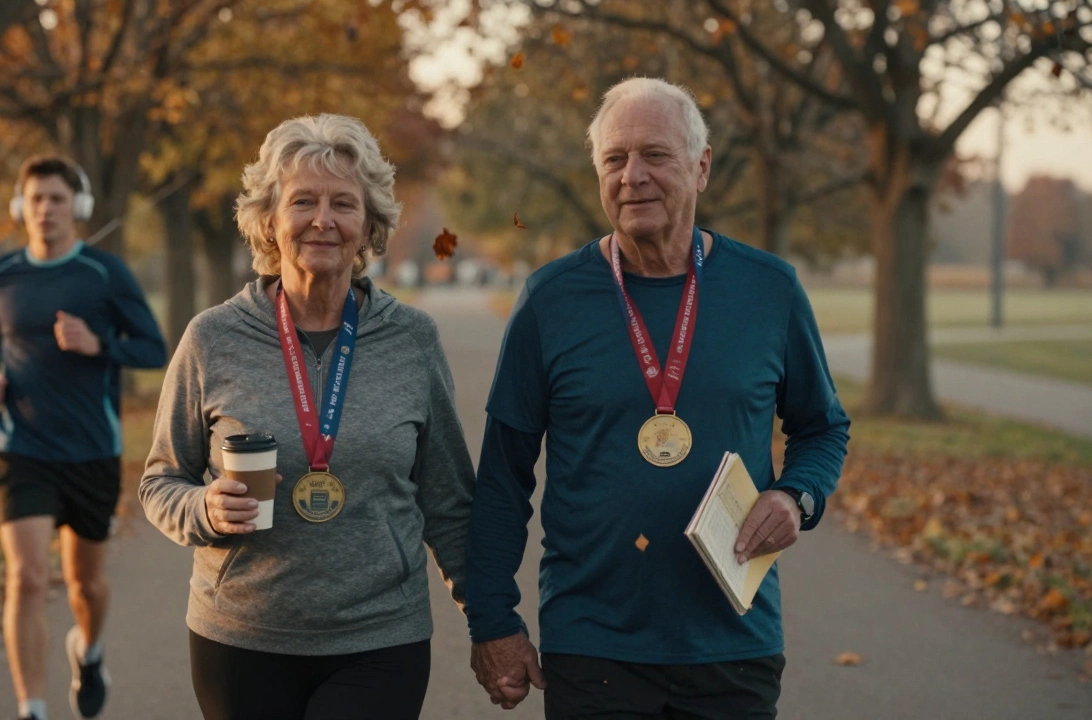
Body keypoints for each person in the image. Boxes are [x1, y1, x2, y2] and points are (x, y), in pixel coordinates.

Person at [465, 77, 851, 718]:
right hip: (593, 646)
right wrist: (492, 622)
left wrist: (796, 494)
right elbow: (504, 480)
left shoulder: (769, 290)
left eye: (655, 155)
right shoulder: (550, 301)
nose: (632, 176)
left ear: (701, 167)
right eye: (614, 159)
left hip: (734, 641)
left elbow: (823, 427)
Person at [139, 113, 475, 720]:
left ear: (369, 224)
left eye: (343, 203)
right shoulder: (212, 339)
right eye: (303, 201)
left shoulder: (412, 340)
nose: (323, 220)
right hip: (240, 637)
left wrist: (493, 623)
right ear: (269, 218)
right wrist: (203, 508)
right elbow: (159, 481)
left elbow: (449, 500)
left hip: (381, 638)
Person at [0, 155, 168, 720]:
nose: (46, 209)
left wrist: (99, 344)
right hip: (20, 446)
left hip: (91, 450)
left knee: (86, 584)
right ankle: (31, 708)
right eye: (36, 199)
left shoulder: (105, 275)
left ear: (77, 208)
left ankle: (90, 650)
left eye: (57, 198)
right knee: (27, 575)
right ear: (20, 207)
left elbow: (154, 348)